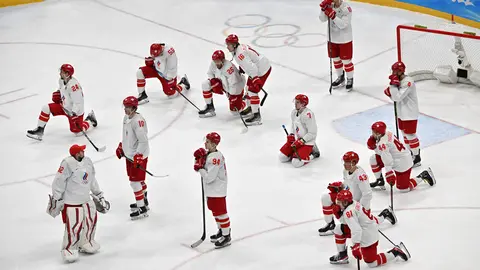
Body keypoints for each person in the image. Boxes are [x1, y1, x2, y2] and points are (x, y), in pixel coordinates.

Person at [46, 144, 110, 263]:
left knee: (91, 222)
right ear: (76, 153)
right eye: (81, 151)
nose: (83, 152)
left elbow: (92, 179)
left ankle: (87, 241)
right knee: (74, 226)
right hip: (72, 202)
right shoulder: (67, 163)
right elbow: (58, 182)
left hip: (86, 200)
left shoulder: (88, 162)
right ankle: (70, 248)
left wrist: (98, 194)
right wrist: (57, 199)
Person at [318, 151, 396, 236]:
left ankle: (385, 213)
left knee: (370, 226)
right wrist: (340, 186)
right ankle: (330, 224)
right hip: (346, 199)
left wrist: (359, 209)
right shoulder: (345, 171)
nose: (344, 164)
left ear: (354, 163)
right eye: (344, 162)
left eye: (347, 162)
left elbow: (367, 194)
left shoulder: (361, 176)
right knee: (326, 197)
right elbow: (348, 183)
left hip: (357, 204)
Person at [329, 190, 410, 266]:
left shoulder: (348, 212)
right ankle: (342, 255)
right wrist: (339, 215)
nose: (338, 204)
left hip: (368, 236)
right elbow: (350, 222)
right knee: (338, 229)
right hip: (368, 228)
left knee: (372, 263)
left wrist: (355, 246)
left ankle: (395, 252)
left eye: (340, 202)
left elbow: (356, 230)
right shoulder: (353, 203)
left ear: (346, 202)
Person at [27, 64, 97, 141]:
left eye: (62, 71)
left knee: (77, 132)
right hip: (64, 106)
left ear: (67, 74)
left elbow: (78, 102)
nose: (60, 73)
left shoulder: (74, 86)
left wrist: (74, 114)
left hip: (74, 112)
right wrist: (58, 94)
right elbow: (62, 90)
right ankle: (39, 131)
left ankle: (90, 120)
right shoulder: (61, 80)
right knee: (46, 108)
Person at [368, 121, 436, 191]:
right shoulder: (388, 133)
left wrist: (389, 173)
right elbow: (385, 153)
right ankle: (380, 180)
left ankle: (423, 175)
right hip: (400, 157)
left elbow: (387, 159)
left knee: (403, 188)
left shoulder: (383, 144)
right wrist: (375, 147)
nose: (372, 133)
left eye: (373, 132)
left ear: (378, 134)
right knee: (373, 159)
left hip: (403, 164)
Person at [193, 132, 231, 249]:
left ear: (214, 144)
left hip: (217, 190)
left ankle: (226, 235)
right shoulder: (210, 154)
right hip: (212, 190)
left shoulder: (215, 158)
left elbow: (209, 178)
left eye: (208, 142)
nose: (205, 143)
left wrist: (200, 169)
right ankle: (221, 230)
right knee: (215, 211)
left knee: (221, 212)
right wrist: (199, 160)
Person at [115, 96, 150, 220]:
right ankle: (144, 201)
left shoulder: (138, 121)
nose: (126, 109)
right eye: (125, 107)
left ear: (134, 108)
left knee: (134, 183)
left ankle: (142, 208)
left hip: (137, 156)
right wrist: (122, 146)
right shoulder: (126, 118)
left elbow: (143, 141)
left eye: (128, 107)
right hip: (129, 155)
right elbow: (127, 136)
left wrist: (139, 155)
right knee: (138, 181)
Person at [225, 34, 271, 125]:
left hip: (261, 69)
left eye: (229, 45)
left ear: (234, 45)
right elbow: (249, 61)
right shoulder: (238, 48)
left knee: (252, 91)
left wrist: (255, 79)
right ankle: (251, 107)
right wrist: (243, 67)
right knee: (248, 88)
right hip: (258, 67)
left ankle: (256, 115)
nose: (227, 47)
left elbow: (252, 67)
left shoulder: (239, 53)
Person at [384, 61, 421, 166]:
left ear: (401, 71)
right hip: (401, 112)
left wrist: (392, 87)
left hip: (409, 113)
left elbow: (397, 97)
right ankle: (410, 154)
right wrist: (392, 90)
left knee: (410, 135)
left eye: (396, 71)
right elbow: (395, 98)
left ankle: (417, 157)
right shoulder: (399, 80)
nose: (394, 73)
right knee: (404, 133)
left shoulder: (408, 82)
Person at [198, 50, 246, 118]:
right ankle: (210, 107)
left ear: (223, 59)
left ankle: (245, 100)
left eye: (217, 61)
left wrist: (231, 95)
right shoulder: (214, 63)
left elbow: (234, 83)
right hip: (223, 84)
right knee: (205, 84)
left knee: (235, 112)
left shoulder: (229, 68)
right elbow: (210, 73)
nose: (216, 63)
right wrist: (213, 80)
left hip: (236, 88)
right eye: (215, 61)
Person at [318, 0, 354, 91]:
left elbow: (343, 25)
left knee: (346, 61)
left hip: (344, 39)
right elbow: (322, 19)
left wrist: (333, 16)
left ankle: (350, 79)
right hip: (332, 39)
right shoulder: (330, 6)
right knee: (336, 59)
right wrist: (323, 10)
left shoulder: (346, 8)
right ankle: (340, 77)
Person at [279, 94, 320, 168]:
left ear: (303, 104)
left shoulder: (308, 115)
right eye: (295, 102)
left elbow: (312, 133)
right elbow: (293, 125)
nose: (295, 104)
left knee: (296, 163)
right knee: (282, 157)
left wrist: (302, 140)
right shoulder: (294, 112)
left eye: (297, 102)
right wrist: (291, 134)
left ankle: (313, 154)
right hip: (297, 140)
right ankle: (296, 153)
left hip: (307, 142)